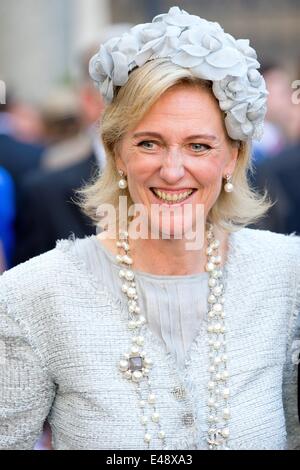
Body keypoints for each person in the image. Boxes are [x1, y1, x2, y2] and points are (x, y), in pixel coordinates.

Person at [0, 7, 299, 450]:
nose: (173, 170)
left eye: (199, 145)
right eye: (148, 143)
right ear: (117, 153)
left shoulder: (287, 276)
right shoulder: (33, 295)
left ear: (232, 157)